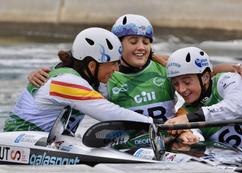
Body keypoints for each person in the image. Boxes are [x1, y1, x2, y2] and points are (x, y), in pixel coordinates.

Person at [26, 14, 242, 142]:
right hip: (133, 142)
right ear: (117, 45)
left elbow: (202, 73)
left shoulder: (162, 66)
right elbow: (73, 76)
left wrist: (234, 67)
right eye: (133, 42)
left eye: (145, 42)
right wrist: (37, 76)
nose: (141, 48)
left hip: (173, 134)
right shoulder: (105, 78)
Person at [4, 27, 154, 133]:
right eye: (113, 63)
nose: (116, 69)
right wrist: (154, 124)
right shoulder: (67, 82)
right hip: (21, 141)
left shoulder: (79, 76)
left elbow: (113, 101)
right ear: (92, 65)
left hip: (42, 140)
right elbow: (110, 113)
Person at [165, 46, 242, 154]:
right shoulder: (184, 112)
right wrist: (191, 137)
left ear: (205, 78)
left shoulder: (229, 80)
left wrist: (189, 118)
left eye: (187, 82)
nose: (181, 89)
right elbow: (197, 134)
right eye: (176, 84)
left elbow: (235, 108)